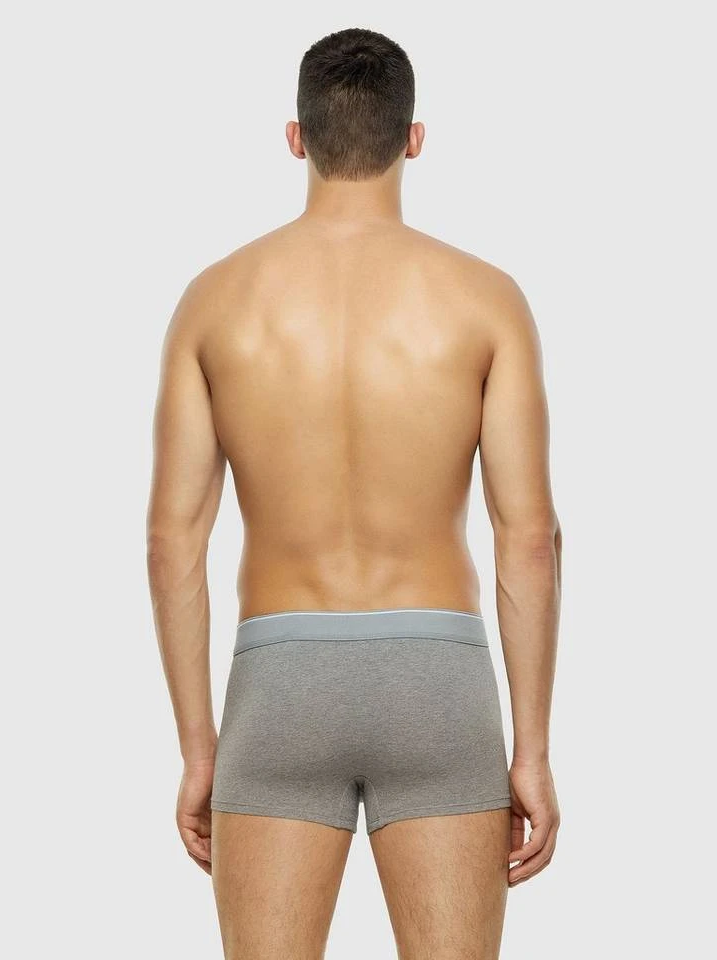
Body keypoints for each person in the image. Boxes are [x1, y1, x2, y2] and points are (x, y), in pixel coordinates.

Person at [147, 26, 561, 960]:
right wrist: (531, 749)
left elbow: (173, 544)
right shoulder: (487, 300)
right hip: (438, 686)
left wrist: (201, 749)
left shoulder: (213, 303)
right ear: (414, 138)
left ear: (296, 138)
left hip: (278, 689)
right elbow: (528, 538)